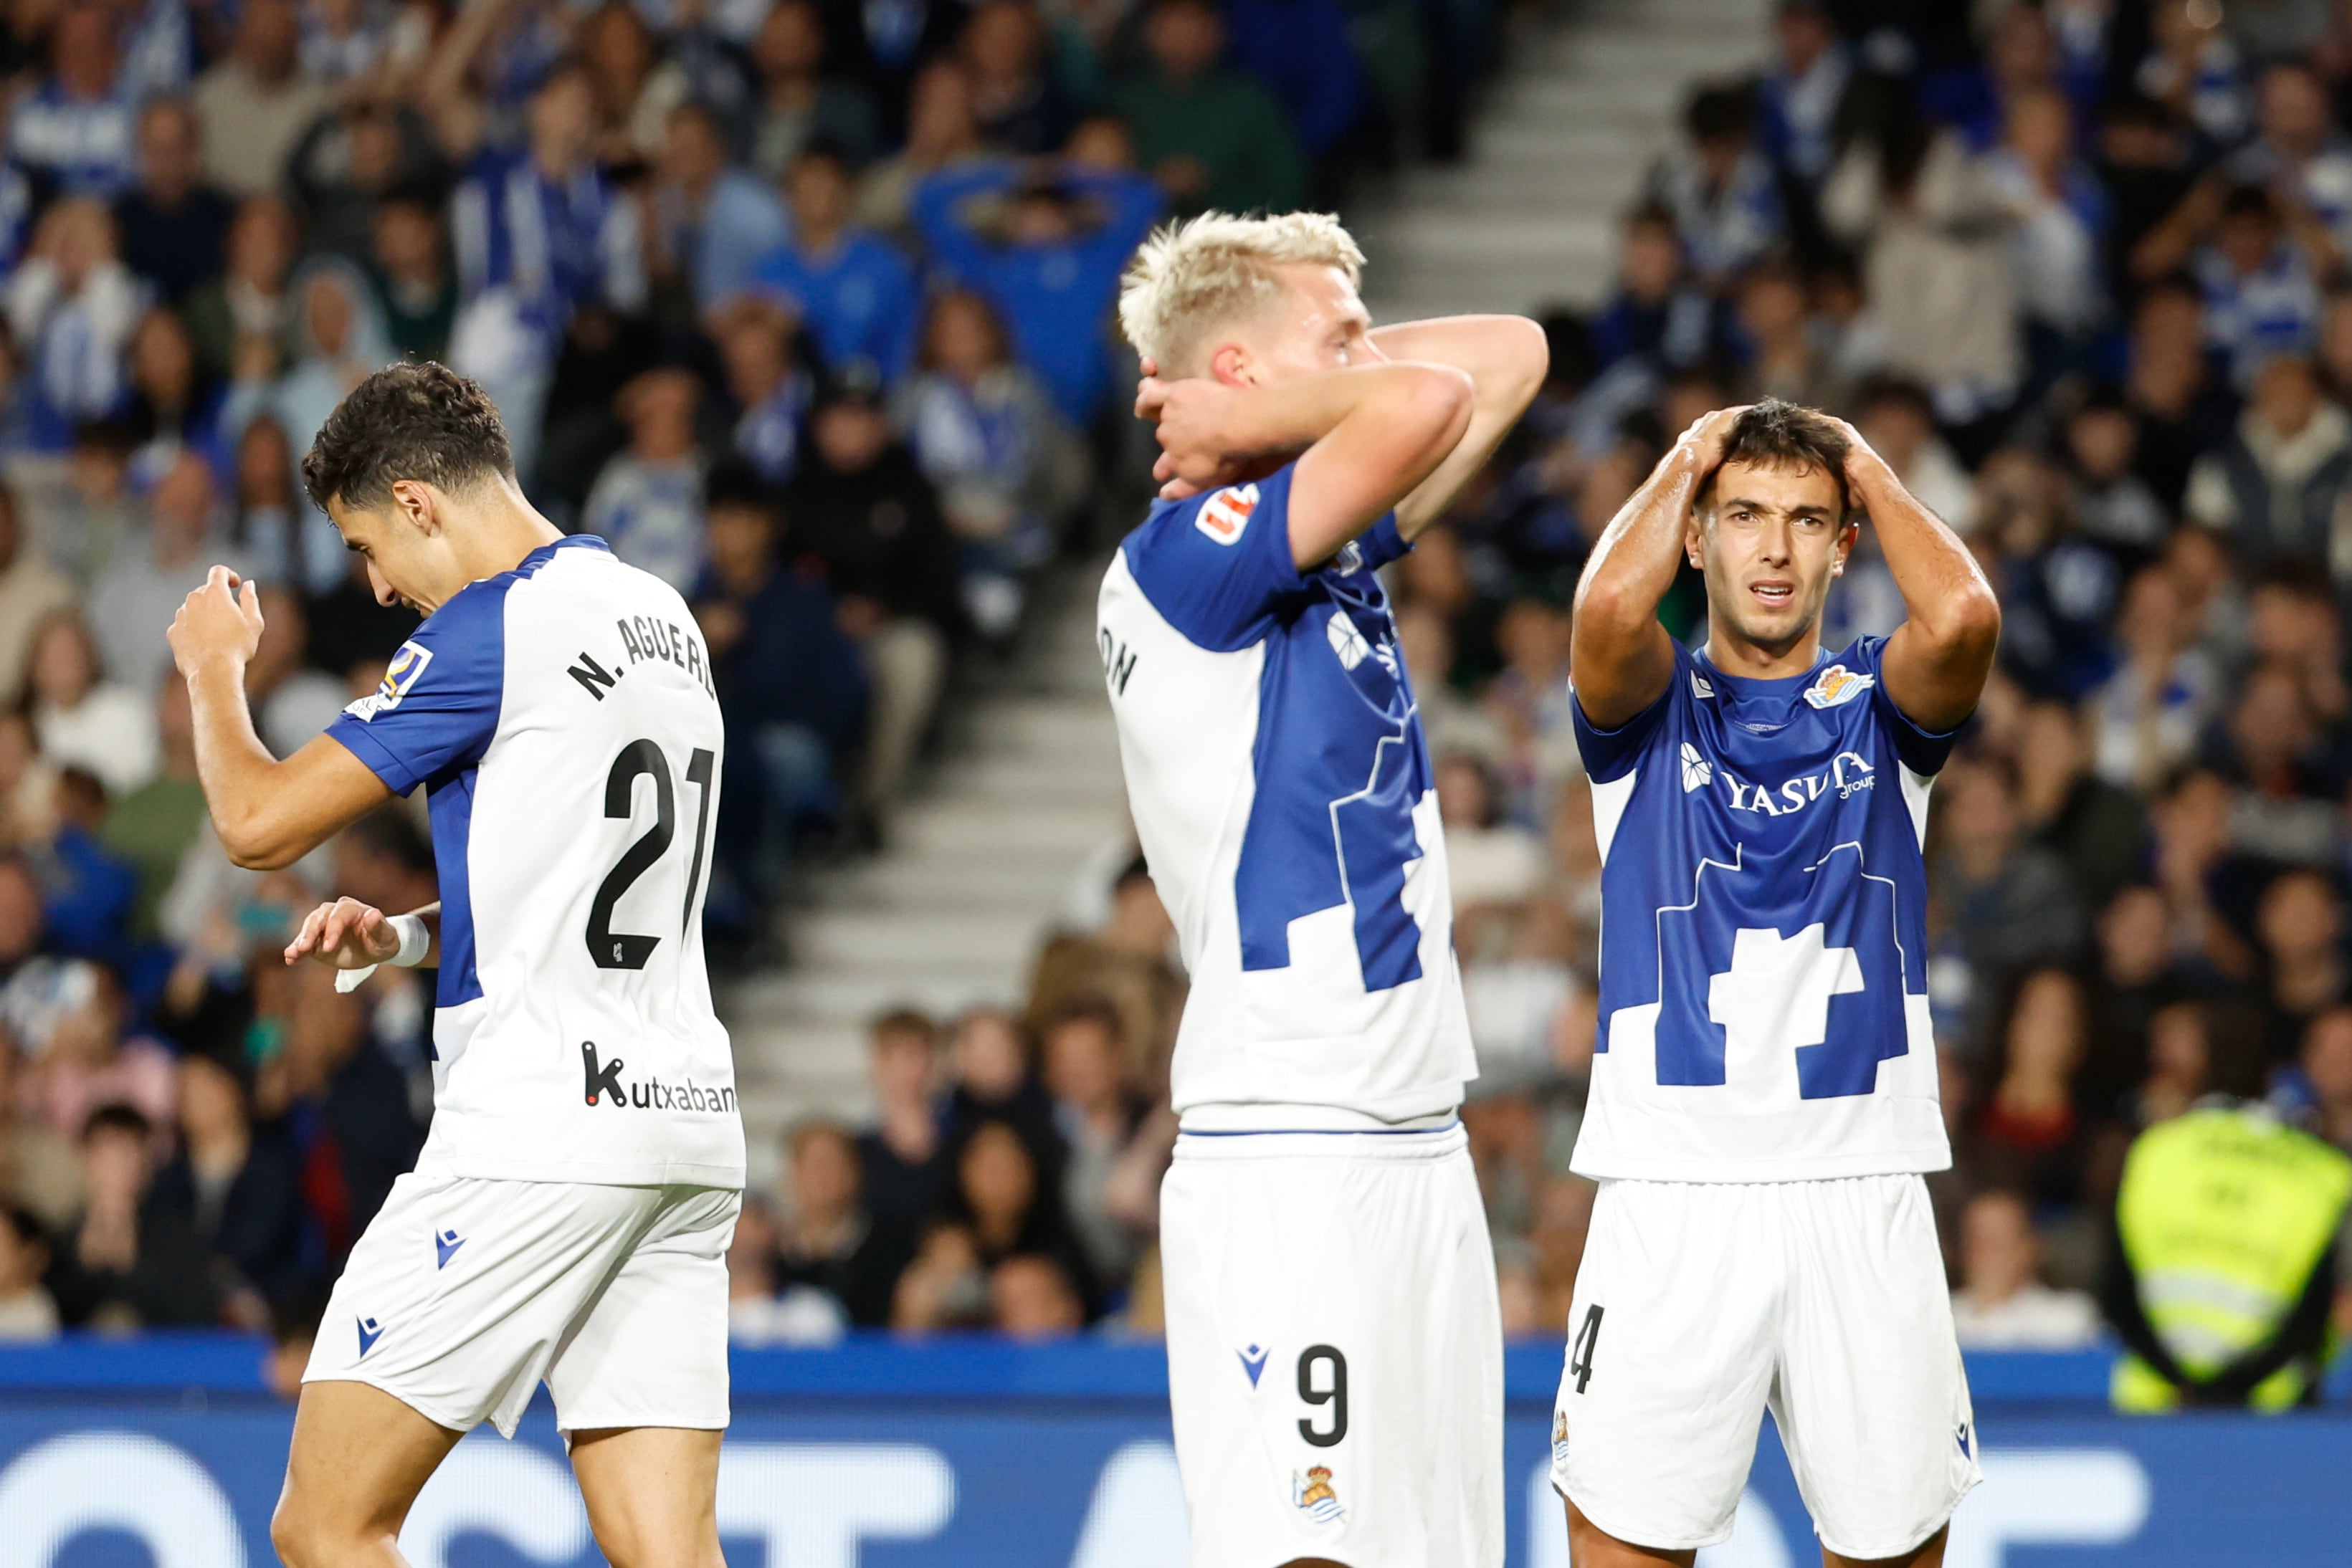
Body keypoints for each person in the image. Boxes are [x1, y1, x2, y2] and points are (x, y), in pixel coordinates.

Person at [160, 361, 743, 1567]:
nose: (377, 586)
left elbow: (257, 824)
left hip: (539, 1128)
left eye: (369, 545)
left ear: (422, 503)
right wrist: (416, 932)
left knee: (326, 1522)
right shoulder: (658, 614)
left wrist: (215, 669)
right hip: (682, 1122)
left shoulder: (491, 628)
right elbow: (603, 871)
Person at [1104, 210, 1546, 1568]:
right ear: (1245, 371)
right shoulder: (1192, 556)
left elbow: (1510, 355)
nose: (1367, 350)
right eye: (1332, 334)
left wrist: (1260, 398)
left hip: (1409, 1134)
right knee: (1313, 1548)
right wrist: (1258, 409)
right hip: (1290, 1137)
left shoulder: (1317, 538)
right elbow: (1426, 395)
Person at [1556, 398, 2000, 1565]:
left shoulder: (1880, 707)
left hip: (1858, 1180)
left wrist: (1861, 464)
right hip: (1671, 1182)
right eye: (1744, 517)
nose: (1775, 548)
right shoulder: (1648, 710)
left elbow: (1960, 616)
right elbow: (1607, 608)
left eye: (1808, 522)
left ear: (1844, 544)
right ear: (1693, 538)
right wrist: (1693, 454)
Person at [2103, 1099, 2352, 1410]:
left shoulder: (2155, 1151)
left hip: (2171, 1398)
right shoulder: (2327, 1173)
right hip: (2261, 1403)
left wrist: (2184, 1379)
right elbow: (2315, 1312)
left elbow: (2115, 1291)